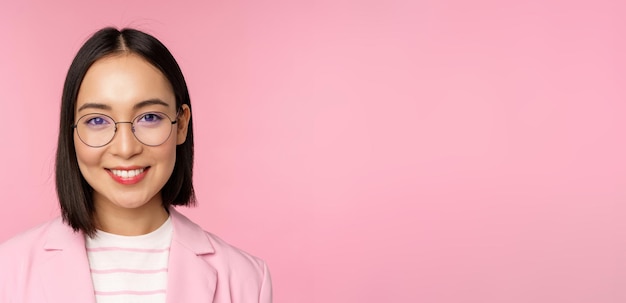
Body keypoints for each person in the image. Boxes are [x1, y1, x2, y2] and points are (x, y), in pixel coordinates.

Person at [0, 27, 272, 303]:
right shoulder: (8, 271)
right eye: (97, 120)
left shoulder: (247, 279)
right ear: (71, 131)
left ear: (182, 125)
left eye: (149, 117)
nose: (126, 148)